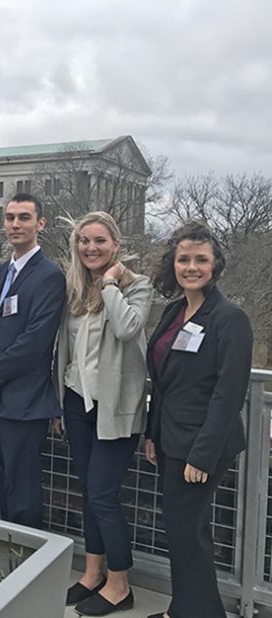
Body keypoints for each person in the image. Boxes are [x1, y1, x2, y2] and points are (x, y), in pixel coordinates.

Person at [144, 222, 253, 618]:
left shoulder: (229, 318)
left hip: (201, 446)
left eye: (201, 260)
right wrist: (152, 432)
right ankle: (186, 609)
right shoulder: (175, 311)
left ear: (215, 264)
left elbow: (229, 393)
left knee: (187, 532)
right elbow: (164, 381)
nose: (191, 267)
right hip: (170, 439)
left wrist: (202, 455)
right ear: (173, 264)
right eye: (184, 259)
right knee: (183, 531)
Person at [55, 212, 151, 616]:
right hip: (77, 402)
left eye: (99, 241)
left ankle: (120, 584)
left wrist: (110, 283)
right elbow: (66, 351)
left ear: (115, 245)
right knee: (87, 491)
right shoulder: (73, 289)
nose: (90, 248)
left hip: (116, 409)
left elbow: (128, 329)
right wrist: (59, 402)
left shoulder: (136, 286)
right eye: (84, 240)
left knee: (103, 494)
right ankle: (93, 572)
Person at [0, 193, 65, 528]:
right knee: (5, 485)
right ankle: (10, 551)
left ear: (40, 224)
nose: (16, 224)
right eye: (10, 217)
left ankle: (29, 555)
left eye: (24, 217)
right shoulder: (2, 272)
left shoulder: (49, 275)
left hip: (26, 401)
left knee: (23, 493)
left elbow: (36, 340)